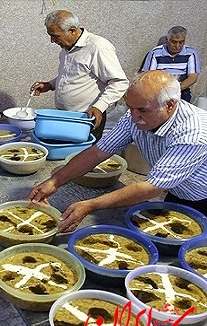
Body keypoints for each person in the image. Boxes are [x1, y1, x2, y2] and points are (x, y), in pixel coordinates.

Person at [28, 70, 207, 233]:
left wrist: (90, 205)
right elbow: (97, 152)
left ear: (169, 105)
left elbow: (151, 188)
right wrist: (54, 181)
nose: (134, 117)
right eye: (131, 108)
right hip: (178, 190)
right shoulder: (135, 116)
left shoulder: (193, 133)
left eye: (142, 110)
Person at [31, 10, 129, 142]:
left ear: (72, 30)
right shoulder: (66, 48)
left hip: (86, 118)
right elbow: (71, 76)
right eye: (50, 35)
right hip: (65, 116)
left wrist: (99, 106)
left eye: (55, 36)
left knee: (85, 157)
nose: (52, 41)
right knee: (66, 153)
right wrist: (49, 85)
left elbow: (119, 82)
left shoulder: (97, 47)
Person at [140, 26, 201, 103]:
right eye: (174, 42)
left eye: (181, 42)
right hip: (159, 90)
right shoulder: (155, 53)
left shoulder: (191, 53)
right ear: (167, 40)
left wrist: (176, 89)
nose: (177, 46)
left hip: (181, 90)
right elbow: (148, 75)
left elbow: (193, 77)